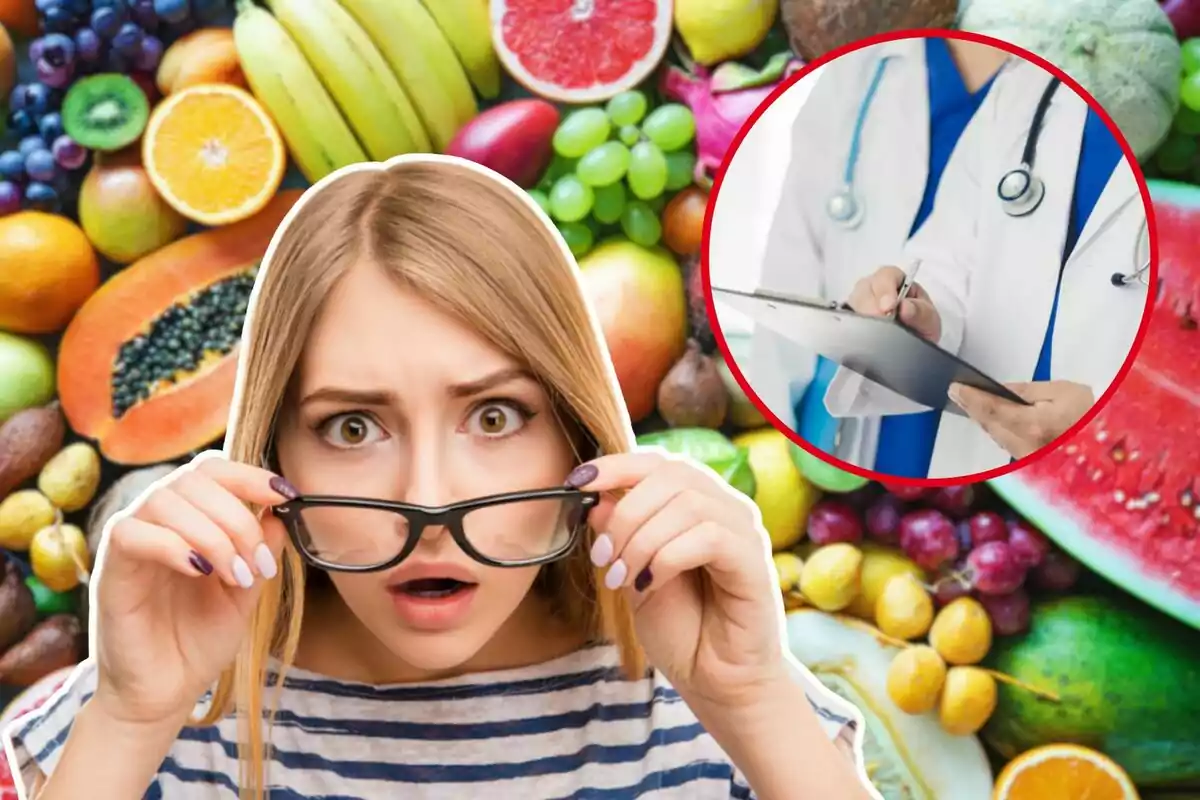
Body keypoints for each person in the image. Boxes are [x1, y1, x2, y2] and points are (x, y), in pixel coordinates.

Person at [3, 156, 871, 800]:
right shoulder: (161, 700)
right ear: (273, 458)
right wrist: (126, 719)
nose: (427, 503)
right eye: (351, 427)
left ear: (575, 432)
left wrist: (753, 701)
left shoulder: (717, 694)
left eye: (494, 418)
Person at [830, 51, 1150, 478]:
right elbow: (948, 261)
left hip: (1131, 478)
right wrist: (922, 318)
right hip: (976, 470)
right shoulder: (1024, 87)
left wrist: (1116, 426)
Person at [741, 33, 1010, 479]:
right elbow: (792, 253)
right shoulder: (860, 70)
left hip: (979, 405)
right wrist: (776, 420)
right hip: (835, 411)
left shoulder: (1054, 100)